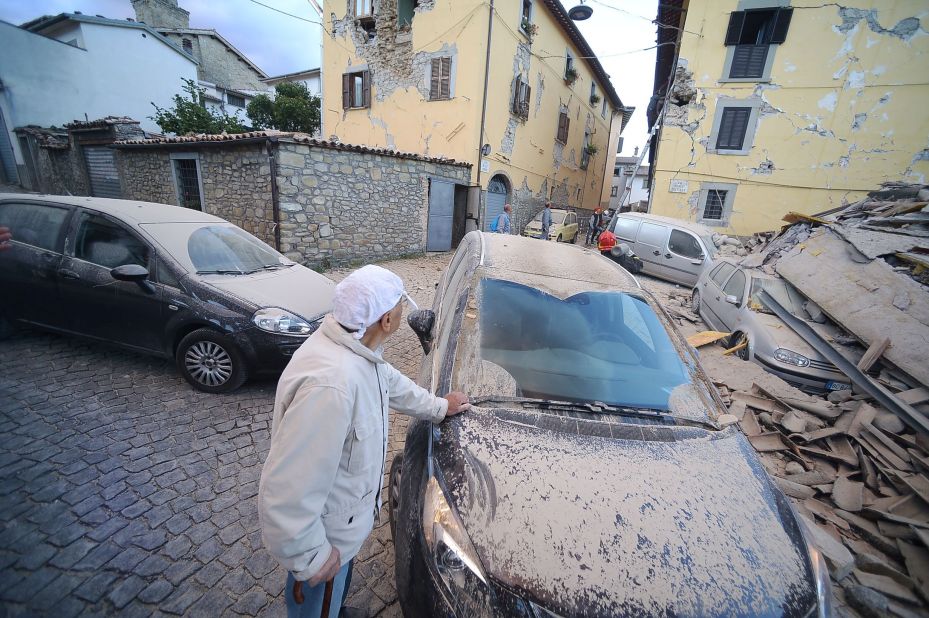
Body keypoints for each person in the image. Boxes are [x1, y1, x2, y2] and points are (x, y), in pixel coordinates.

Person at [258, 265, 471, 618]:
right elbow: (286, 491)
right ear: (387, 321)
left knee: (335, 591)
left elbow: (390, 382)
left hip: (343, 530)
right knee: (316, 604)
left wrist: (439, 406)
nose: (404, 312)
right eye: (400, 307)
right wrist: (312, 557)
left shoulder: (355, 346)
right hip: (324, 543)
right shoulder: (331, 387)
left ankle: (336, 607)